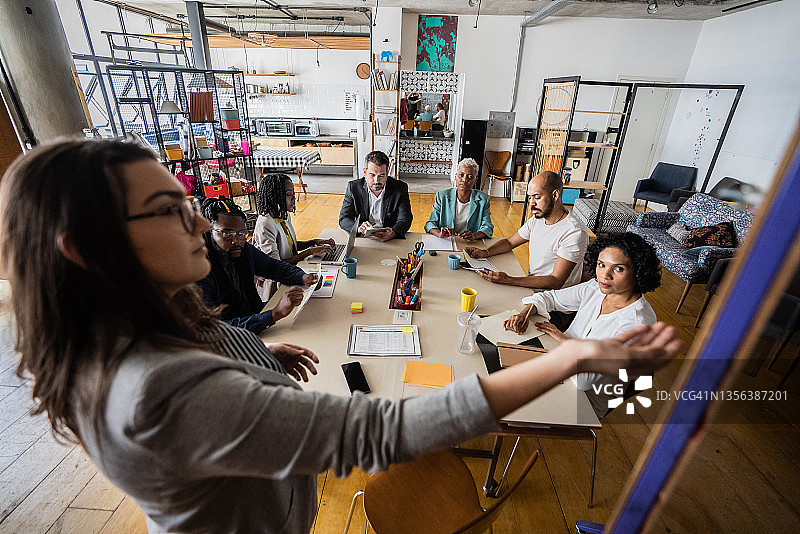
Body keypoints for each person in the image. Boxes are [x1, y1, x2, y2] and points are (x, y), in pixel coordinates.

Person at [0, 138, 681, 533]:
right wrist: (572, 359)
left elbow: (207, 358)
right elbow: (376, 433)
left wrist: (256, 350)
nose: (204, 224)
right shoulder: (157, 395)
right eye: (166, 210)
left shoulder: (139, 329)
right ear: (85, 249)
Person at [504, 233, 662, 416]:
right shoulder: (596, 288)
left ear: (639, 271)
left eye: (618, 269)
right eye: (601, 264)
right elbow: (549, 297)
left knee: (502, 399)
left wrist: (565, 341)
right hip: (560, 362)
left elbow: (583, 381)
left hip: (584, 400)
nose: (605, 275)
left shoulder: (637, 324)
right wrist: (524, 313)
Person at [197, 196, 318, 333]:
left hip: (251, 321)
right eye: (227, 233)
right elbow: (215, 329)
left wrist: (302, 277)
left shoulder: (243, 251)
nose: (237, 240)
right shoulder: (200, 272)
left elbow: (273, 267)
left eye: (242, 233)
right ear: (208, 232)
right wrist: (274, 314)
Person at [465, 170, 588, 290]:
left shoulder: (574, 232)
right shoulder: (538, 219)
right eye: (530, 198)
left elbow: (555, 281)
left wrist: (509, 280)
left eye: (537, 197)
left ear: (555, 195)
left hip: (555, 300)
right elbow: (510, 242)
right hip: (533, 287)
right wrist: (484, 252)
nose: (531, 204)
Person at [253, 173, 335, 264]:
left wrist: (314, 242)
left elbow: (290, 247)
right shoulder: (265, 225)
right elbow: (275, 265)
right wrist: (310, 252)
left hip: (291, 269)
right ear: (274, 197)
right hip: (276, 276)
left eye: (293, 193)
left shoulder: (283, 215)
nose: (294, 198)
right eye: (288, 194)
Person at [339, 150, 412, 241]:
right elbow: (344, 218)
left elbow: (405, 219)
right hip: (363, 237)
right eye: (372, 175)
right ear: (365, 172)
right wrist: (358, 228)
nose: (376, 181)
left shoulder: (400, 188)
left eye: (381, 175)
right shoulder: (353, 188)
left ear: (387, 173)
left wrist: (393, 232)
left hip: (390, 239)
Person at [425, 158, 493, 241]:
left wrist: (474, 236)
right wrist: (439, 233)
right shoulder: (442, 196)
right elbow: (430, 224)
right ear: (455, 176)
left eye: (470, 177)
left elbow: (488, 227)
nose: (464, 180)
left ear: (475, 180)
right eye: (461, 175)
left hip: (470, 243)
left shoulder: (483, 199)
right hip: (446, 241)